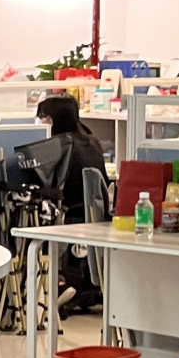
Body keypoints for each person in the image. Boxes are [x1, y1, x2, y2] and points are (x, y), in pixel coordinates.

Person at [36, 92, 108, 313]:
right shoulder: (91, 142)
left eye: (42, 117)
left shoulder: (57, 147)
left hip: (70, 217)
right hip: (95, 217)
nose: (40, 122)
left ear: (51, 120)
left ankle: (56, 284)